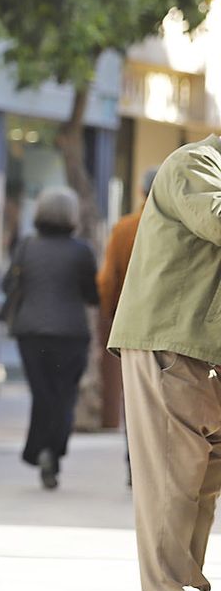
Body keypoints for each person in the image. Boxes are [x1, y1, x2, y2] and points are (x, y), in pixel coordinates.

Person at [107, 136, 221, 591]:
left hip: (202, 346)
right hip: (169, 341)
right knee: (173, 477)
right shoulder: (195, 163)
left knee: (201, 482)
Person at [4, 186, 99, 490]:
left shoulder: (27, 247)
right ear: (72, 215)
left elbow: (8, 285)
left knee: (42, 395)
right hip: (71, 334)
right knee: (64, 396)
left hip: (31, 333)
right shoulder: (82, 251)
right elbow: (92, 295)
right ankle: (51, 452)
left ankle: (41, 451)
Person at [97, 168, 159, 429]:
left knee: (134, 394)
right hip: (173, 324)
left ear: (141, 191)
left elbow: (108, 280)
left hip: (132, 321)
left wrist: (108, 315)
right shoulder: (188, 227)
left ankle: (133, 452)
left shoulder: (125, 228)